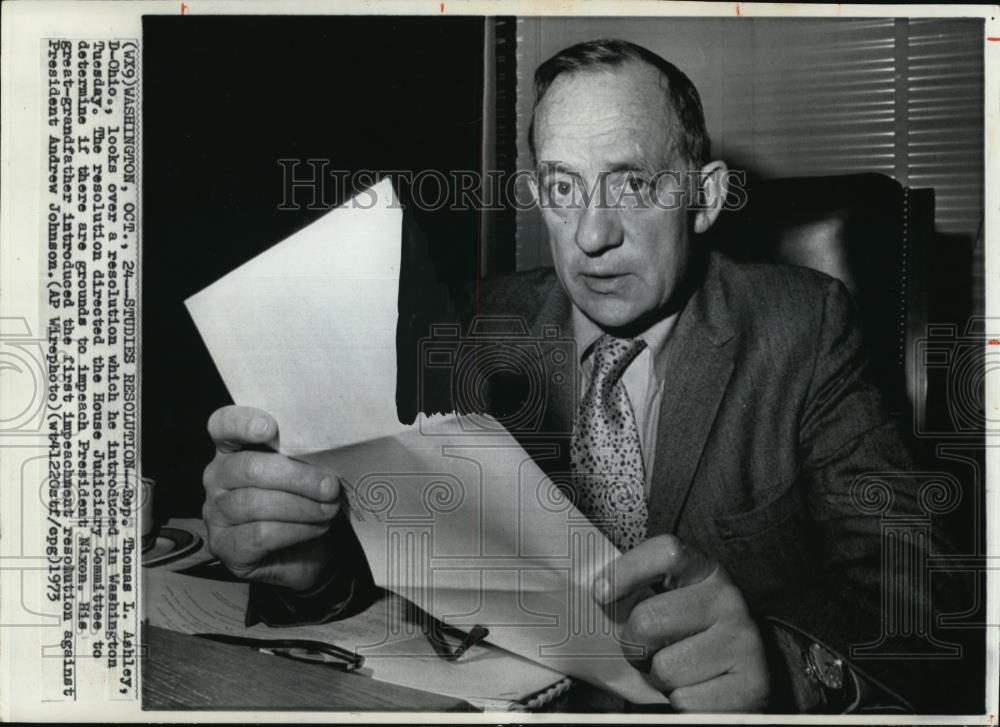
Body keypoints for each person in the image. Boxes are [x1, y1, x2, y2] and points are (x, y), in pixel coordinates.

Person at [200, 39, 970, 713]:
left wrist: (787, 667)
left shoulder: (804, 329)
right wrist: (309, 566)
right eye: (564, 187)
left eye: (633, 183)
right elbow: (413, 569)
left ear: (701, 198)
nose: (592, 235)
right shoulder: (474, 328)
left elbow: (918, 606)